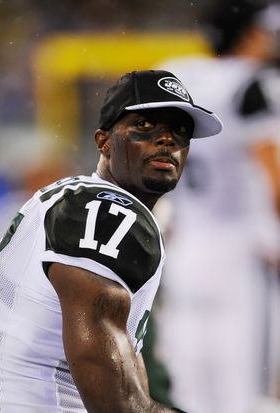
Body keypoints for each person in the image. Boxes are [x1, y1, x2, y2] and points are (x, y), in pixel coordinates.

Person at [0, 69, 222, 413]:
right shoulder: (105, 210)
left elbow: (127, 371)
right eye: (145, 126)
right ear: (103, 141)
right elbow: (112, 390)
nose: (167, 139)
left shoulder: (82, 199)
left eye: (180, 130)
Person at [155, 1, 280, 413]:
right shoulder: (250, 84)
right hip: (239, 251)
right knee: (239, 391)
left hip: (186, 244)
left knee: (190, 385)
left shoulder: (177, 74)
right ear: (248, 33)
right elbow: (273, 179)